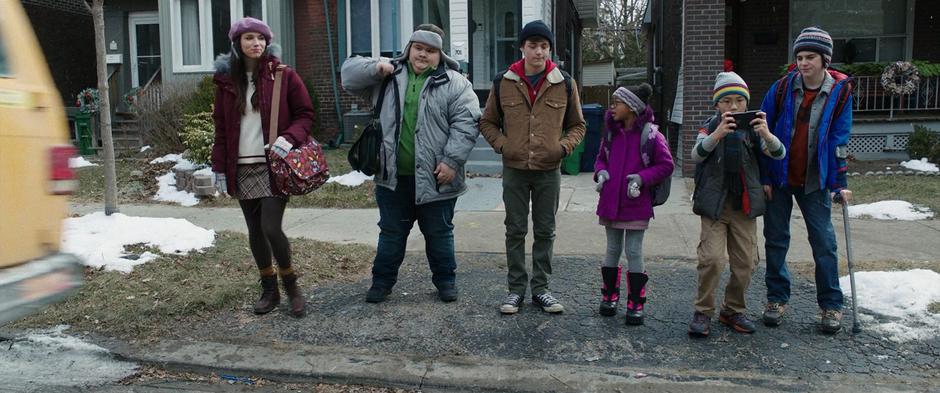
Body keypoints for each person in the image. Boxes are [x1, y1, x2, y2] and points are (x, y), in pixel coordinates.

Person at [341, 24, 481, 303]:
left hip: (437, 177)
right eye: (418, 48)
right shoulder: (388, 76)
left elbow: (466, 124)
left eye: (430, 50)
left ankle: (446, 282)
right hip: (393, 176)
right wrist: (375, 67)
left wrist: (452, 161)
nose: (423, 55)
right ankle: (381, 283)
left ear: (440, 55)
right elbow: (348, 76)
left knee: (439, 234)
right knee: (391, 233)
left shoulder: (456, 83)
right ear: (409, 49)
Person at [480, 20, 586, 315]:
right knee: (514, 230)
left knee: (545, 230)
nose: (538, 52)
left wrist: (562, 148)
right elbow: (487, 122)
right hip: (514, 169)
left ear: (549, 49)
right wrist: (503, 145)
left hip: (547, 170)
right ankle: (515, 290)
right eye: (532, 46)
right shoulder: (504, 81)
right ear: (522, 48)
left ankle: (541, 289)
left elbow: (577, 125)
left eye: (543, 46)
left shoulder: (564, 83)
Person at [211, 17, 314, 318]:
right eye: (248, 39)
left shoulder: (283, 75)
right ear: (237, 44)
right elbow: (221, 128)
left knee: (271, 226)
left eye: (260, 38)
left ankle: (292, 286)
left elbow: (306, 114)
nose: (256, 43)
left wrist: (288, 138)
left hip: (274, 164)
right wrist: (218, 167)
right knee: (254, 229)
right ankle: (269, 288)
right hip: (241, 167)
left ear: (267, 42)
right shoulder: (226, 82)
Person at [759, 27, 854, 334]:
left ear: (824, 59)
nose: (803, 62)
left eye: (810, 57)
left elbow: (840, 139)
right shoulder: (782, 88)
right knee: (775, 240)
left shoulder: (840, 93)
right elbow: (762, 130)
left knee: (824, 243)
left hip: (815, 180)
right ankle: (776, 299)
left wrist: (840, 183)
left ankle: (831, 305)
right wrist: (764, 176)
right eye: (799, 56)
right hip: (780, 176)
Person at [687, 72, 786, 337]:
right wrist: (717, 134)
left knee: (745, 263)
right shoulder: (709, 127)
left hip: (744, 205)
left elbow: (779, 153)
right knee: (712, 259)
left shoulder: (753, 131)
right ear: (717, 105)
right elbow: (696, 155)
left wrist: (765, 133)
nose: (733, 107)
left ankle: (732, 309)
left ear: (746, 103)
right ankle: (703, 311)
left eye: (739, 101)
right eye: (726, 101)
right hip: (715, 206)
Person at [594, 84, 674, 325]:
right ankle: (609, 296)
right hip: (610, 201)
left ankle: (636, 302)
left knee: (634, 250)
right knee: (612, 249)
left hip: (636, 202)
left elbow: (666, 165)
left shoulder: (651, 135)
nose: (612, 107)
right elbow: (601, 160)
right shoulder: (610, 133)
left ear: (631, 107)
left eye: (617, 102)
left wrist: (642, 178)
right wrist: (601, 174)